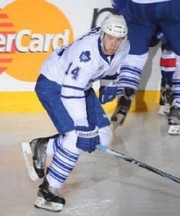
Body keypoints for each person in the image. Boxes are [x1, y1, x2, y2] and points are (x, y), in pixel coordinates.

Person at [21, 13, 129, 212]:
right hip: (53, 85)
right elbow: (70, 90)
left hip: (81, 87)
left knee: (104, 137)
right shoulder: (87, 52)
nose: (114, 44)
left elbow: (113, 66)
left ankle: (44, 146)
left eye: (118, 39)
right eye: (110, 38)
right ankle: (48, 190)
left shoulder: (124, 45)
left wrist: (108, 84)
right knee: (75, 138)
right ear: (103, 34)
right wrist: (82, 125)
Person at [111, 0, 180, 135]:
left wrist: (122, 8)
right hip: (172, 5)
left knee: (134, 56)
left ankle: (124, 94)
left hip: (137, 6)